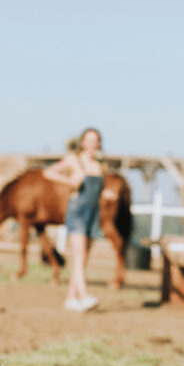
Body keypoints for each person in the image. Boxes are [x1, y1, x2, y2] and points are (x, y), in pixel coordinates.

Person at [44, 128, 108, 312]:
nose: (92, 143)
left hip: (93, 214)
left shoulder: (101, 165)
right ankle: (84, 297)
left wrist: (106, 193)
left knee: (83, 258)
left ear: (99, 143)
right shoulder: (74, 161)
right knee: (79, 256)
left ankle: (70, 299)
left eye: (95, 140)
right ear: (82, 142)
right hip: (77, 211)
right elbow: (48, 172)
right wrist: (70, 182)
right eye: (89, 140)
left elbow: (96, 190)